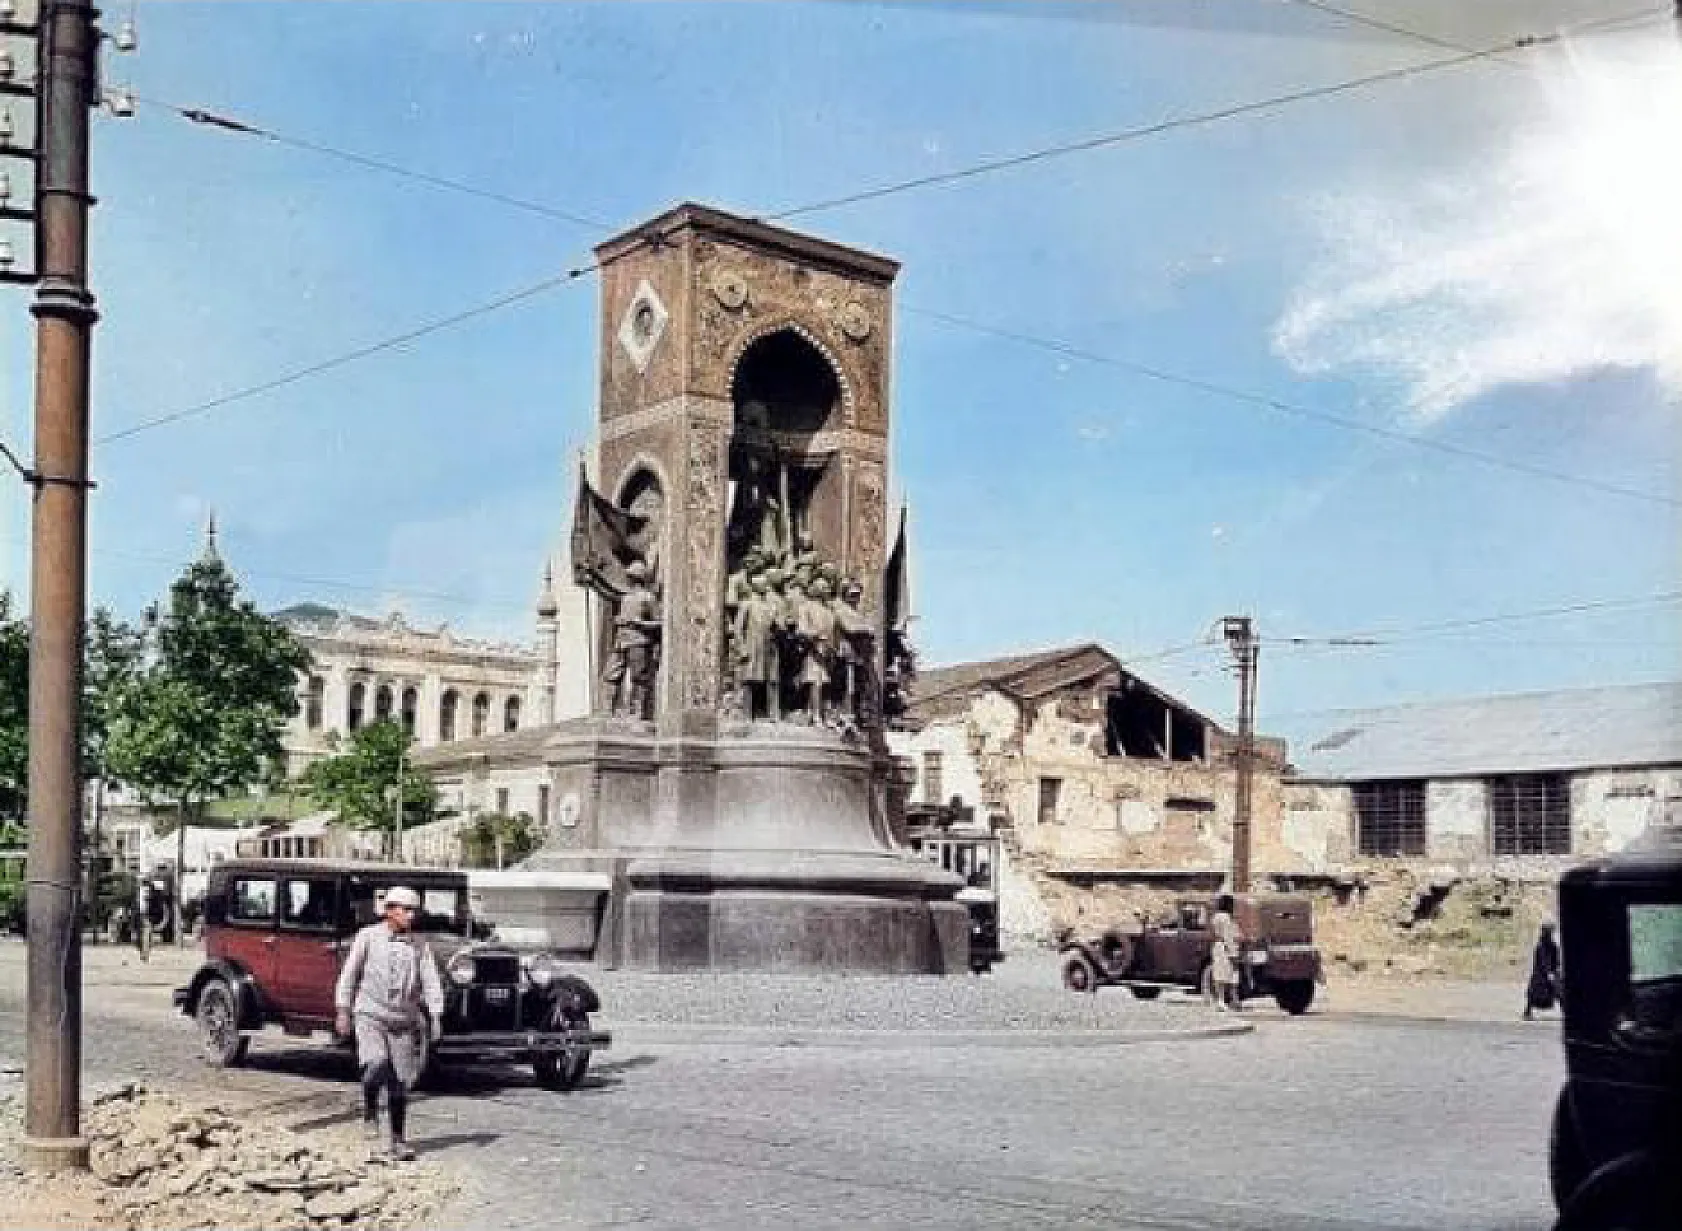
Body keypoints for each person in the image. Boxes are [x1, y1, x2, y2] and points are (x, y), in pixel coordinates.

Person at [334, 885, 445, 1160]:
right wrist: (343, 1010)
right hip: (370, 1015)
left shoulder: (419, 945)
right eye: (405, 910)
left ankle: (397, 1140)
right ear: (390, 911)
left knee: (399, 1083)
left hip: (403, 1021)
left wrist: (435, 1015)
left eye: (414, 911)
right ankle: (370, 1110)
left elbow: (430, 980)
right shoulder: (367, 937)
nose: (411, 916)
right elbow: (349, 975)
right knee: (376, 1063)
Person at [1523, 921, 1561, 1020]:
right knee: (1534, 993)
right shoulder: (1541, 946)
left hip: (1549, 972)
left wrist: (1556, 969)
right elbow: (1543, 961)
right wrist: (1549, 973)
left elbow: (1555, 959)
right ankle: (1527, 1013)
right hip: (1541, 973)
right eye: (1550, 931)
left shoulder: (1552, 945)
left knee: (1558, 992)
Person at [1209, 893, 1241, 1012]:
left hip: (1218, 946)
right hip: (1225, 947)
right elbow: (1228, 935)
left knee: (1220, 974)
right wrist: (1233, 952)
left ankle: (1223, 1000)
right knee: (1230, 974)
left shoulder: (1216, 917)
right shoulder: (1225, 918)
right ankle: (1230, 1000)